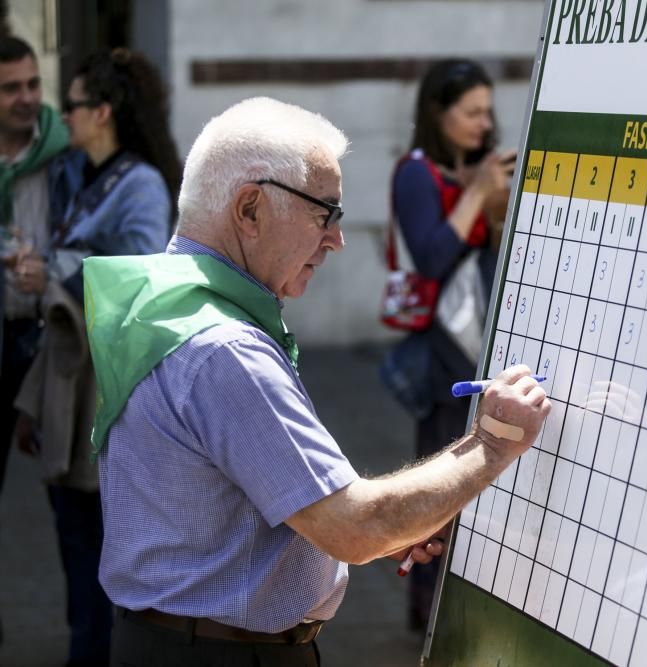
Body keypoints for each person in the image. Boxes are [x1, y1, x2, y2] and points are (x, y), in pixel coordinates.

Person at [82, 96, 549, 667]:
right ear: (249, 209)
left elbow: (237, 504)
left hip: (170, 642)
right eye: (324, 212)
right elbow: (356, 527)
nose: (336, 240)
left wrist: (371, 529)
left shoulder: (162, 305)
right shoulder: (226, 351)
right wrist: (494, 442)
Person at [12, 47, 179, 667]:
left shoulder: (137, 182)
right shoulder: (89, 177)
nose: (65, 115)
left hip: (102, 389)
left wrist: (51, 271)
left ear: (102, 112)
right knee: (79, 544)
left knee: (95, 552)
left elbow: (141, 276)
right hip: (76, 380)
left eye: (75, 104)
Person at [388, 59, 515, 629]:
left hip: (484, 347)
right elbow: (433, 255)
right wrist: (479, 193)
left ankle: (472, 603)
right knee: (439, 490)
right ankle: (430, 615)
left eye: (488, 112)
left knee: (486, 488)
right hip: (443, 358)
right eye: (471, 112)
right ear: (438, 114)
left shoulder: (481, 166)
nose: (484, 124)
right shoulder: (416, 174)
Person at [0, 35, 82, 502]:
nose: (27, 98)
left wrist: (48, 272)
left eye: (33, 84)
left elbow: (85, 235)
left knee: (68, 491)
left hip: (48, 332)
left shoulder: (62, 150)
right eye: (11, 88)